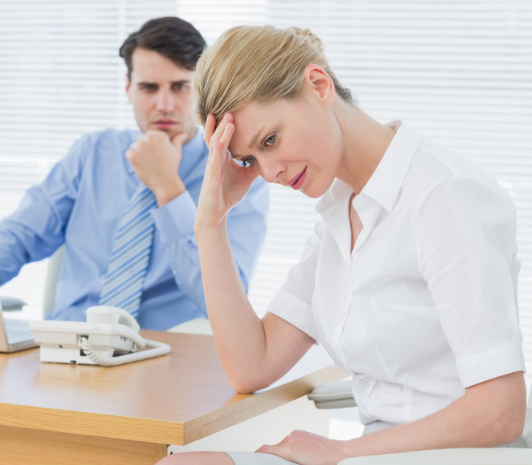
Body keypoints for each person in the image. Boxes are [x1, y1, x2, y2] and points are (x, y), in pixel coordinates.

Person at [159, 25, 527, 465]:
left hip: (458, 456)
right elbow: (250, 366)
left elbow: (501, 411)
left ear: (318, 85)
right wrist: (211, 223)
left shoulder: (444, 196)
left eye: (270, 140)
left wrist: (341, 452)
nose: (270, 172)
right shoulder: (340, 214)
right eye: (250, 160)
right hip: (369, 454)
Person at [0, 17, 268, 330]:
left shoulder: (237, 174)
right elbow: (20, 236)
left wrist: (167, 187)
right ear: (128, 89)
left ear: (203, 91)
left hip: (167, 352)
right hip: (68, 340)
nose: (164, 104)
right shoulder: (93, 152)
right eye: (149, 87)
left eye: (180, 87)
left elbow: (222, 303)